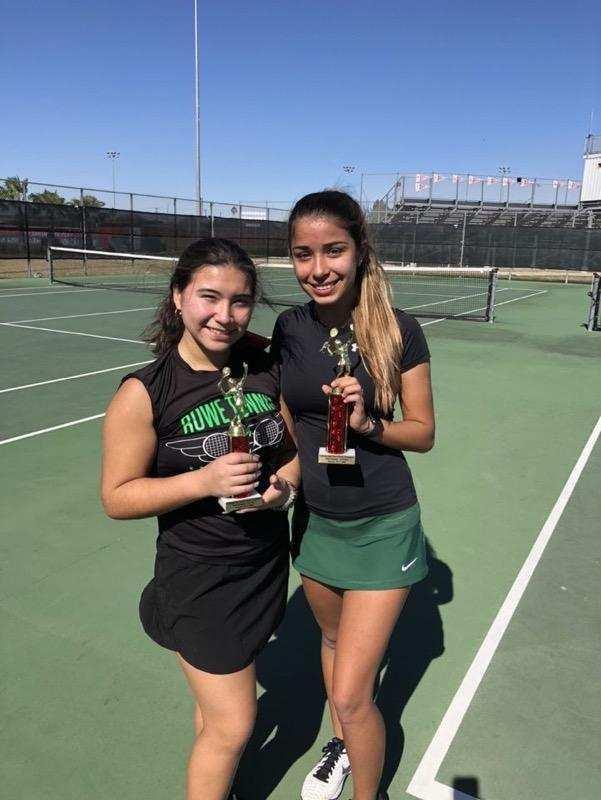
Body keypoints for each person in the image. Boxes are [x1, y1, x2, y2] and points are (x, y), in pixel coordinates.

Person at [101, 238, 299, 800]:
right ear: (178, 297)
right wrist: (202, 482)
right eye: (209, 297)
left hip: (262, 566)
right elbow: (116, 497)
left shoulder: (260, 366)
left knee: (216, 716)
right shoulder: (145, 392)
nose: (225, 315)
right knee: (235, 724)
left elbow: (288, 454)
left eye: (240, 302)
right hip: (200, 580)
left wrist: (283, 489)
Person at [271, 191, 435, 800]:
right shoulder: (288, 327)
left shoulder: (399, 331)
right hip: (316, 522)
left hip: (382, 523)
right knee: (334, 643)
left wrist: (367, 425)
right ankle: (340, 746)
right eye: (303, 255)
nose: (319, 269)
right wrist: (285, 476)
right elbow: (288, 416)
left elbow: (423, 432)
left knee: (349, 692)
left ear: (360, 250)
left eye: (333, 250)